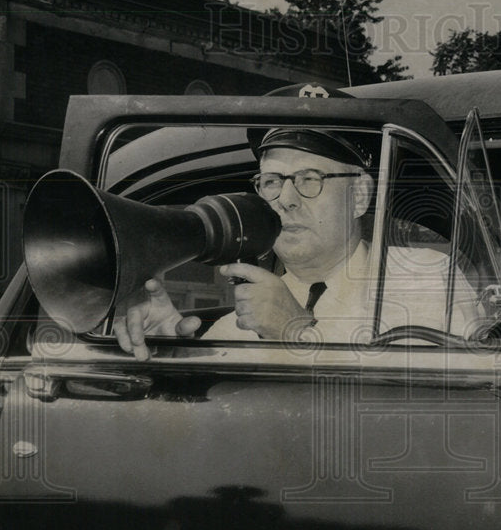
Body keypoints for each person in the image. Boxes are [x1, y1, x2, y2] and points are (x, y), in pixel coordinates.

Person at [113, 124, 480, 360]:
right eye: (272, 181)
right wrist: (173, 354)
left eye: (309, 178)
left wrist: (298, 333)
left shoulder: (425, 278)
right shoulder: (241, 319)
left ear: (359, 196)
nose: (286, 199)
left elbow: (439, 409)